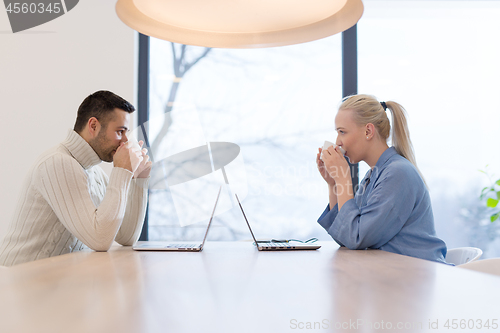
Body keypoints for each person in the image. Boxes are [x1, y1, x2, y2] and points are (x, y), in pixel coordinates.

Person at [0, 91, 152, 266]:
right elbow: (99, 240)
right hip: (15, 282)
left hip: (50, 281)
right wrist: (121, 170)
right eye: (120, 132)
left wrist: (139, 179)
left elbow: (127, 237)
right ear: (93, 126)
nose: (125, 141)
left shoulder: (94, 172)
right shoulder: (57, 163)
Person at [316, 94, 448, 264]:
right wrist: (333, 185)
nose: (337, 142)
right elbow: (346, 237)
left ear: (368, 131)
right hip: (394, 274)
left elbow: (356, 238)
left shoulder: (397, 174)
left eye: (342, 132)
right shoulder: (374, 175)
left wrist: (343, 179)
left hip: (416, 277)